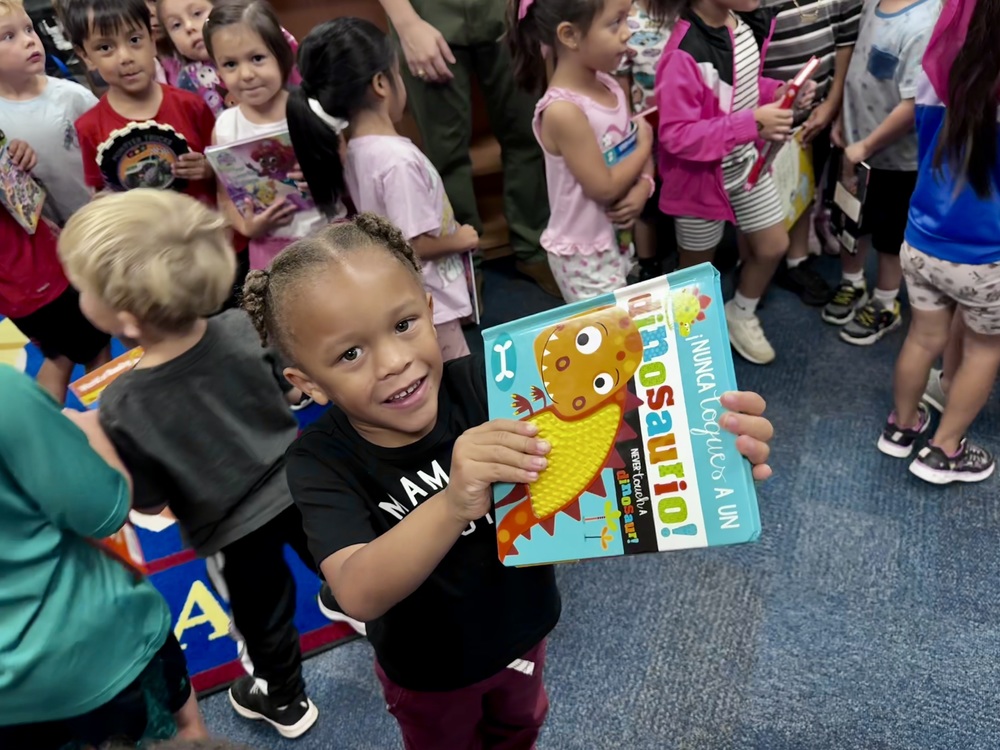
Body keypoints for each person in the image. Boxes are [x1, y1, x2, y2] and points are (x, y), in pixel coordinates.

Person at [240, 213, 776, 749]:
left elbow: (609, 430)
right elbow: (356, 590)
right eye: (351, 354)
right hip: (430, 672)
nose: (395, 362)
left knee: (520, 727)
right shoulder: (319, 460)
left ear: (431, 313)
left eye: (404, 325)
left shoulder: (489, 384)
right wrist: (453, 503)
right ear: (308, 383)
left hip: (526, 627)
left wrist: (712, 443)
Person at [55, 189, 355, 739]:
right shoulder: (242, 327)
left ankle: (283, 699)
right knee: (333, 551)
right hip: (303, 481)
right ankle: (360, 601)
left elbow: (147, 500)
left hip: (231, 529)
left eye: (80, 288)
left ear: (125, 317)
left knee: (261, 617)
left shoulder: (125, 401)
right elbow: (281, 395)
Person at [0, 365, 206, 749]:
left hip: (11, 704)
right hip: (98, 648)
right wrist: (94, 434)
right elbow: (104, 511)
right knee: (185, 735)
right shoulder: (5, 394)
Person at [286, 18, 475, 361]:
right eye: (397, 73)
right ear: (381, 83)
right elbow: (413, 245)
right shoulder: (396, 160)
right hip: (431, 300)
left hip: (409, 297)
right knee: (459, 381)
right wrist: (462, 239)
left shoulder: (357, 149)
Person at [877, 0, 999, 485]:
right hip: (985, 257)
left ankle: (902, 427)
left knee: (922, 336)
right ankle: (945, 450)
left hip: (922, 240)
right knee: (985, 351)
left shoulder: (935, 74)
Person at [654, 0, 814, 365]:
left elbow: (741, 85)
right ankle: (686, 340)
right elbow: (677, 135)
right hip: (699, 185)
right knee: (694, 272)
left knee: (773, 245)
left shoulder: (742, 28)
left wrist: (777, 91)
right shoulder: (683, 53)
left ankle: (740, 312)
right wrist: (752, 123)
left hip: (746, 166)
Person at [376, 0, 561, 302]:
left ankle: (534, 246)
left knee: (529, 135)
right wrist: (406, 23)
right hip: (426, 15)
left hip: (510, 11)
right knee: (445, 154)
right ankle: (464, 262)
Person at [507, 0, 655, 302]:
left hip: (616, 239)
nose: (627, 33)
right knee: (610, 337)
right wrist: (647, 144)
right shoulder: (564, 111)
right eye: (616, 23)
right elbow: (604, 187)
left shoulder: (609, 84)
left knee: (622, 325)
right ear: (570, 35)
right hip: (584, 256)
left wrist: (644, 185)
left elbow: (629, 147)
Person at [822, 0, 936, 345]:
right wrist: (842, 118)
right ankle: (852, 281)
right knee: (850, 220)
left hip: (895, 159)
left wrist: (867, 146)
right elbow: (858, 70)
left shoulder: (925, 20)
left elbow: (912, 103)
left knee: (890, 235)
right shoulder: (873, 3)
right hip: (855, 145)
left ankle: (886, 302)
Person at [203, 0, 326, 270]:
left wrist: (321, 174)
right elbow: (225, 196)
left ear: (281, 56)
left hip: (326, 237)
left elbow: (347, 170)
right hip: (269, 250)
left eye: (257, 58)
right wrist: (246, 226)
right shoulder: (224, 127)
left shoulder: (312, 111)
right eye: (230, 64)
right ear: (218, 70)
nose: (246, 74)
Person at [63, 0, 217, 206]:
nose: (125, 57)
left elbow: (227, 169)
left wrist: (207, 169)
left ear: (152, 40)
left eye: (134, 39)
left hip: (206, 227)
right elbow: (100, 193)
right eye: (105, 47)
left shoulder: (191, 105)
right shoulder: (88, 128)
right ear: (86, 56)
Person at [762, 0, 862, 306]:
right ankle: (754, 263)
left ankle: (797, 259)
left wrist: (831, 103)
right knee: (759, 189)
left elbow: (846, 38)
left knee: (802, 182)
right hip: (766, 112)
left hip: (816, 111)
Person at [0, 0, 96, 226]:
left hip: (99, 216)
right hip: (47, 236)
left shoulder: (73, 96)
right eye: (8, 36)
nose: (29, 41)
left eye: (28, 29)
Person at [157, 0, 301, 115]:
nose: (189, 27)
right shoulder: (187, 80)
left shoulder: (263, 38)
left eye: (197, 13)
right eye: (176, 25)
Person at [616, 0, 674, 282]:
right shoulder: (626, 16)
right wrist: (627, 130)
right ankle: (648, 262)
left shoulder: (686, 11)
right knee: (647, 199)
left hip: (685, 126)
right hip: (645, 130)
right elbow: (621, 84)